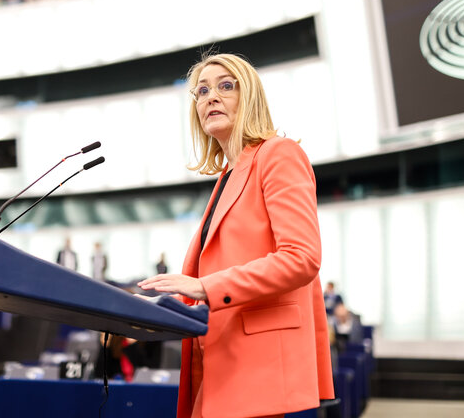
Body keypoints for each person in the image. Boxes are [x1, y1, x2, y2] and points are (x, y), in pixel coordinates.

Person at [139, 53, 334, 418]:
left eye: (225, 86)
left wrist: (204, 287)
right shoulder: (226, 178)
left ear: (250, 98)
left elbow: (301, 258)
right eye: (201, 91)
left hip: (259, 371)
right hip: (216, 363)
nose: (210, 96)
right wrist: (139, 318)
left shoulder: (279, 155)